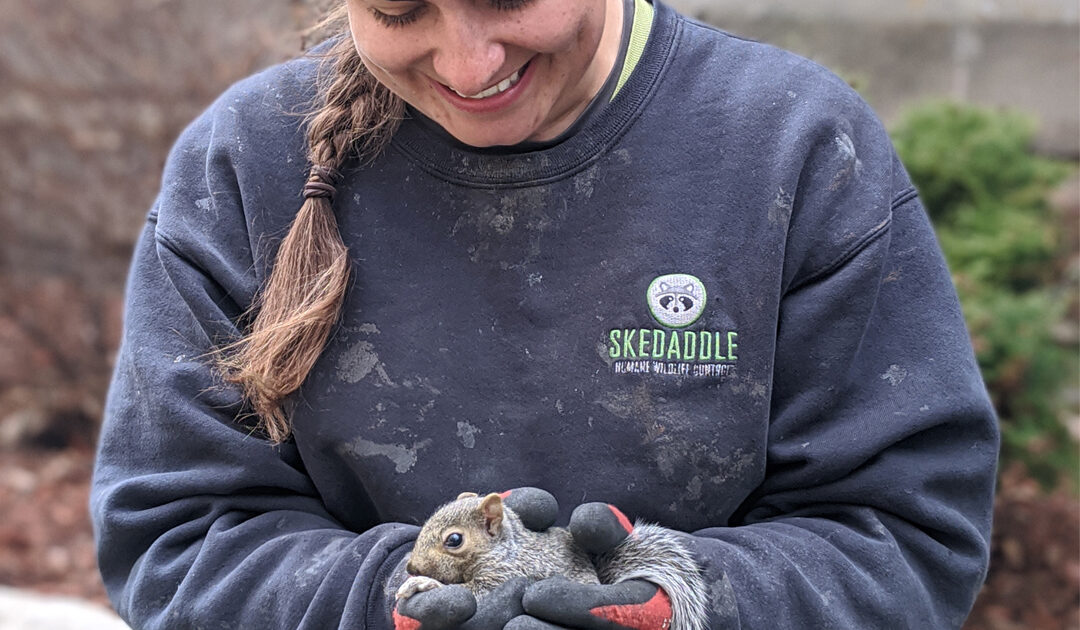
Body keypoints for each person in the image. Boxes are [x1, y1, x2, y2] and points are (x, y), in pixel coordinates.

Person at [90, 0, 999, 628]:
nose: (468, 63)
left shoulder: (793, 148)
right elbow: (176, 534)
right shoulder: (244, 168)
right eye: (400, 11)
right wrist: (394, 602)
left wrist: (694, 600)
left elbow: (904, 538)